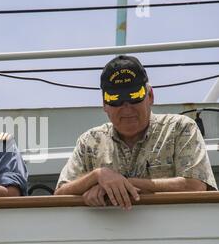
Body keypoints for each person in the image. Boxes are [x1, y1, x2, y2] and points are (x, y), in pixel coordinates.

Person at [55, 55, 217, 210]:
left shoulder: (180, 128)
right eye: (115, 98)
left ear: (150, 96)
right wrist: (97, 176)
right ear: (104, 104)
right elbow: (59, 195)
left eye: (135, 95)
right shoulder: (89, 141)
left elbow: (195, 186)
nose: (127, 107)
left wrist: (119, 184)